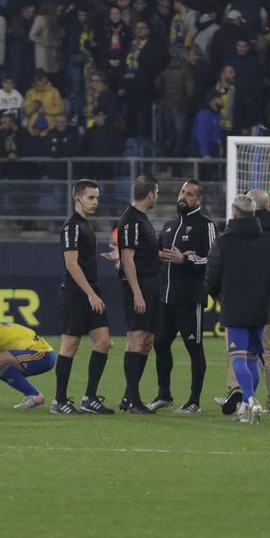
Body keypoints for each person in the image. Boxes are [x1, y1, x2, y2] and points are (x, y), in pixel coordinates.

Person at [205, 195, 270, 425]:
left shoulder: (224, 242)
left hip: (235, 308)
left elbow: (211, 275)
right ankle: (245, 406)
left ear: (234, 214)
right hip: (261, 310)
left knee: (238, 357)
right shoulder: (269, 241)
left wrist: (216, 294)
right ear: (253, 214)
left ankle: (252, 401)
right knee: (253, 357)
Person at [149, 179, 216, 414]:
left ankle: (194, 400)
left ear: (199, 200)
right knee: (160, 343)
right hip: (165, 297)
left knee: (193, 347)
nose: (183, 197)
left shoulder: (205, 225)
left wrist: (185, 259)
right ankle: (164, 394)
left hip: (189, 298)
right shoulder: (169, 225)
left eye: (189, 194)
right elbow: (156, 253)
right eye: (182, 192)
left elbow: (212, 260)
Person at [52, 179, 113, 415]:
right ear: (77, 198)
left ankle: (89, 398)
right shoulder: (72, 227)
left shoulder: (86, 225)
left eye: (97, 197)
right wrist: (90, 294)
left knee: (103, 342)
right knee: (70, 345)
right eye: (91, 197)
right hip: (76, 294)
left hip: (90, 293)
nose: (95, 202)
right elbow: (71, 263)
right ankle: (59, 401)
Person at [116, 175, 160, 415]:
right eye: (157, 193)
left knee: (147, 341)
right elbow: (128, 259)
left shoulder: (141, 219)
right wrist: (137, 294)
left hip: (150, 284)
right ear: (151, 194)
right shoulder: (131, 219)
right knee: (136, 338)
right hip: (140, 286)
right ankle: (133, 401)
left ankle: (128, 396)